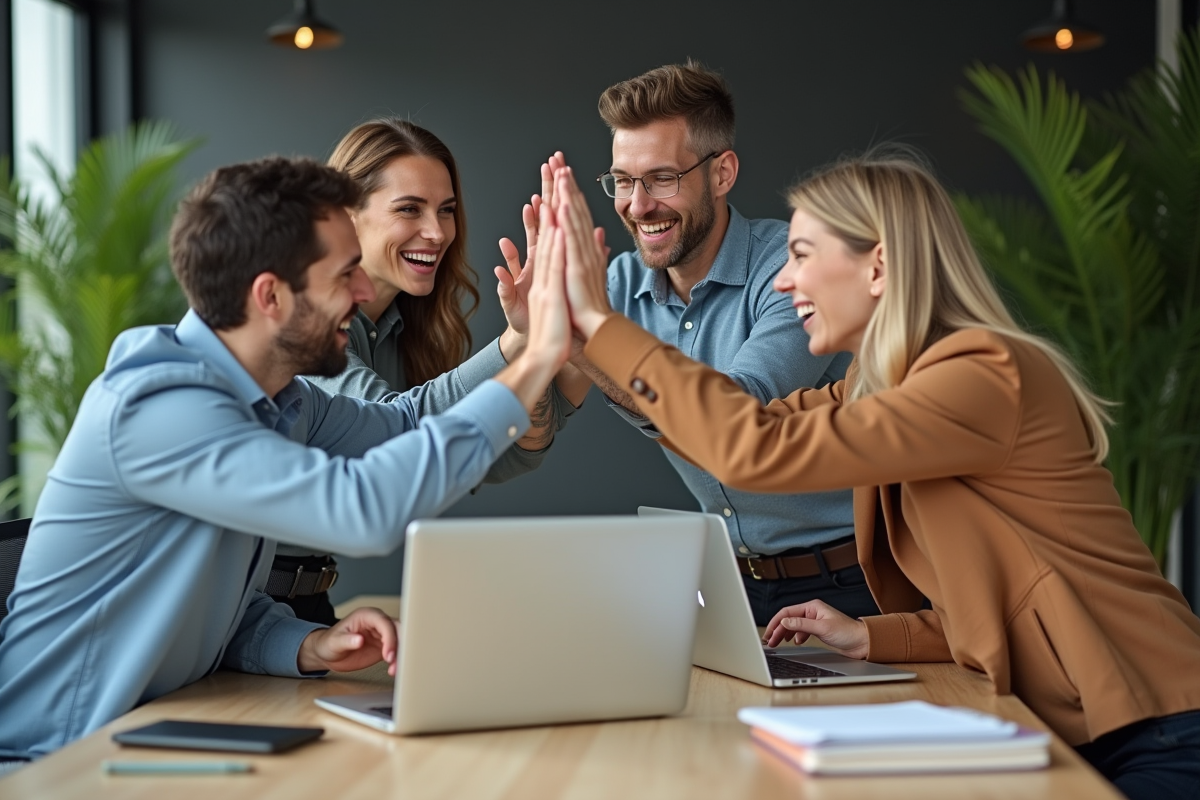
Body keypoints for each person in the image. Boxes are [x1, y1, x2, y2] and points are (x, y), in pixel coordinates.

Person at [543, 151, 1200, 800]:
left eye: (801, 255)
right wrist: (869, 634)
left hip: (1159, 726)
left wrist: (602, 321)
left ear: (878, 266)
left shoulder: (980, 373)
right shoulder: (878, 387)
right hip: (1078, 728)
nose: (781, 281)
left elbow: (752, 447)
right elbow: (742, 425)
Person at [0, 155, 571, 765]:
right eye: (343, 275)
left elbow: (406, 426)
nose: (362, 293)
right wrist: (537, 359)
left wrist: (309, 645)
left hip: (157, 735)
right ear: (269, 295)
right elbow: (361, 512)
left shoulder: (286, 403)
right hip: (56, 767)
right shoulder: (157, 407)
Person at [557, 61, 869, 624]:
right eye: (622, 181)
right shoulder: (617, 287)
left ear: (721, 174)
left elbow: (735, 413)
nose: (637, 204)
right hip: (730, 585)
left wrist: (588, 344)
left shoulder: (792, 271)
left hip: (851, 583)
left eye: (662, 178)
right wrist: (529, 333)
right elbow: (534, 418)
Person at [271, 118, 572, 624]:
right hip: (253, 606)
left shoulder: (396, 329)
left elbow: (480, 460)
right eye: (409, 209)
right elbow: (394, 434)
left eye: (447, 211)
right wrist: (520, 343)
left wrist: (559, 349)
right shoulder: (310, 321)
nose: (437, 233)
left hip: (309, 604)